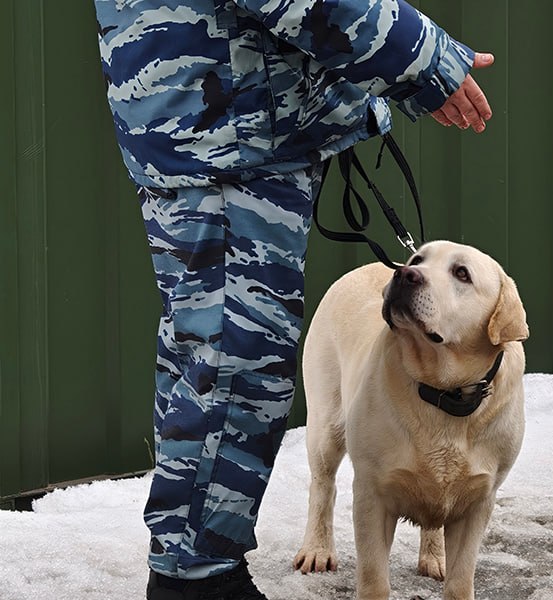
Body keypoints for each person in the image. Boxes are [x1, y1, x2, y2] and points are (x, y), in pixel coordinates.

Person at [93, 1, 493, 598]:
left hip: (226, 119)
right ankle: (198, 582)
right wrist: (424, 57)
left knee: (212, 358)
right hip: (227, 127)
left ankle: (193, 567)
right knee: (235, 364)